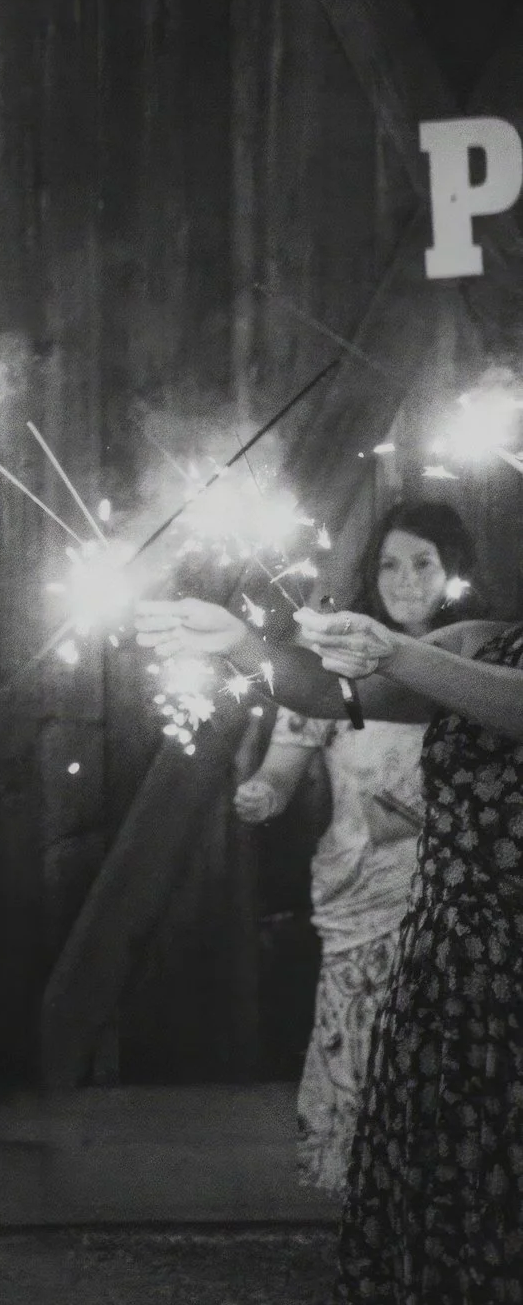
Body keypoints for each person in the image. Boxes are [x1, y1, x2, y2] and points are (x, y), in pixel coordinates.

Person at [135, 586, 523, 1305]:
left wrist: (399, 648)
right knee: (460, 1273)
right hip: (460, 992)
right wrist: (248, 645)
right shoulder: (484, 640)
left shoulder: (477, 663)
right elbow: (347, 684)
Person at [228, 503, 473, 1198]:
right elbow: (283, 766)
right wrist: (265, 794)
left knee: (447, 1065)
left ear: (455, 567)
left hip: (456, 905)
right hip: (359, 896)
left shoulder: (479, 663)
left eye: (422, 561)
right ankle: (375, 1228)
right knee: (364, 1056)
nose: (405, 579)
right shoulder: (337, 669)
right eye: (389, 564)